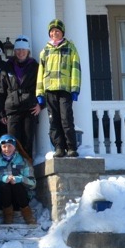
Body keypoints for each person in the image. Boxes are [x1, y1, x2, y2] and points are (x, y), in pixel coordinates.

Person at [37, 19, 82, 157]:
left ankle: (71, 147)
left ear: (62, 32)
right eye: (52, 31)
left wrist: (75, 89)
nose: (54, 33)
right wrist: (39, 92)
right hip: (50, 89)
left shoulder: (70, 48)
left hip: (64, 89)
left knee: (66, 118)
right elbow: (41, 72)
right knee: (53, 120)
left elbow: (75, 69)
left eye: (57, 31)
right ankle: (59, 147)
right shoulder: (45, 51)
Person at [0, 36, 40, 156]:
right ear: (14, 51)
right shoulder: (7, 66)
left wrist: (41, 104)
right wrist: (1, 112)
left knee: (27, 142)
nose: (21, 53)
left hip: (29, 108)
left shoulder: (35, 67)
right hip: (12, 108)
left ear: (28, 51)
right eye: (18, 50)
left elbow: (42, 87)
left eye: (23, 50)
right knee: (12, 142)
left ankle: (28, 171)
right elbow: (1, 90)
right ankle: (14, 171)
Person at [0, 134, 37, 226]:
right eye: (4, 146)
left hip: (20, 199)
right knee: (4, 185)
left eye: (9, 146)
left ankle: (27, 214)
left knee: (16, 184)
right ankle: (8, 215)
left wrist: (20, 179)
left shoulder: (24, 161)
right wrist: (3, 178)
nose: (7, 149)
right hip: (3, 199)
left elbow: (33, 183)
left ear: (14, 146)